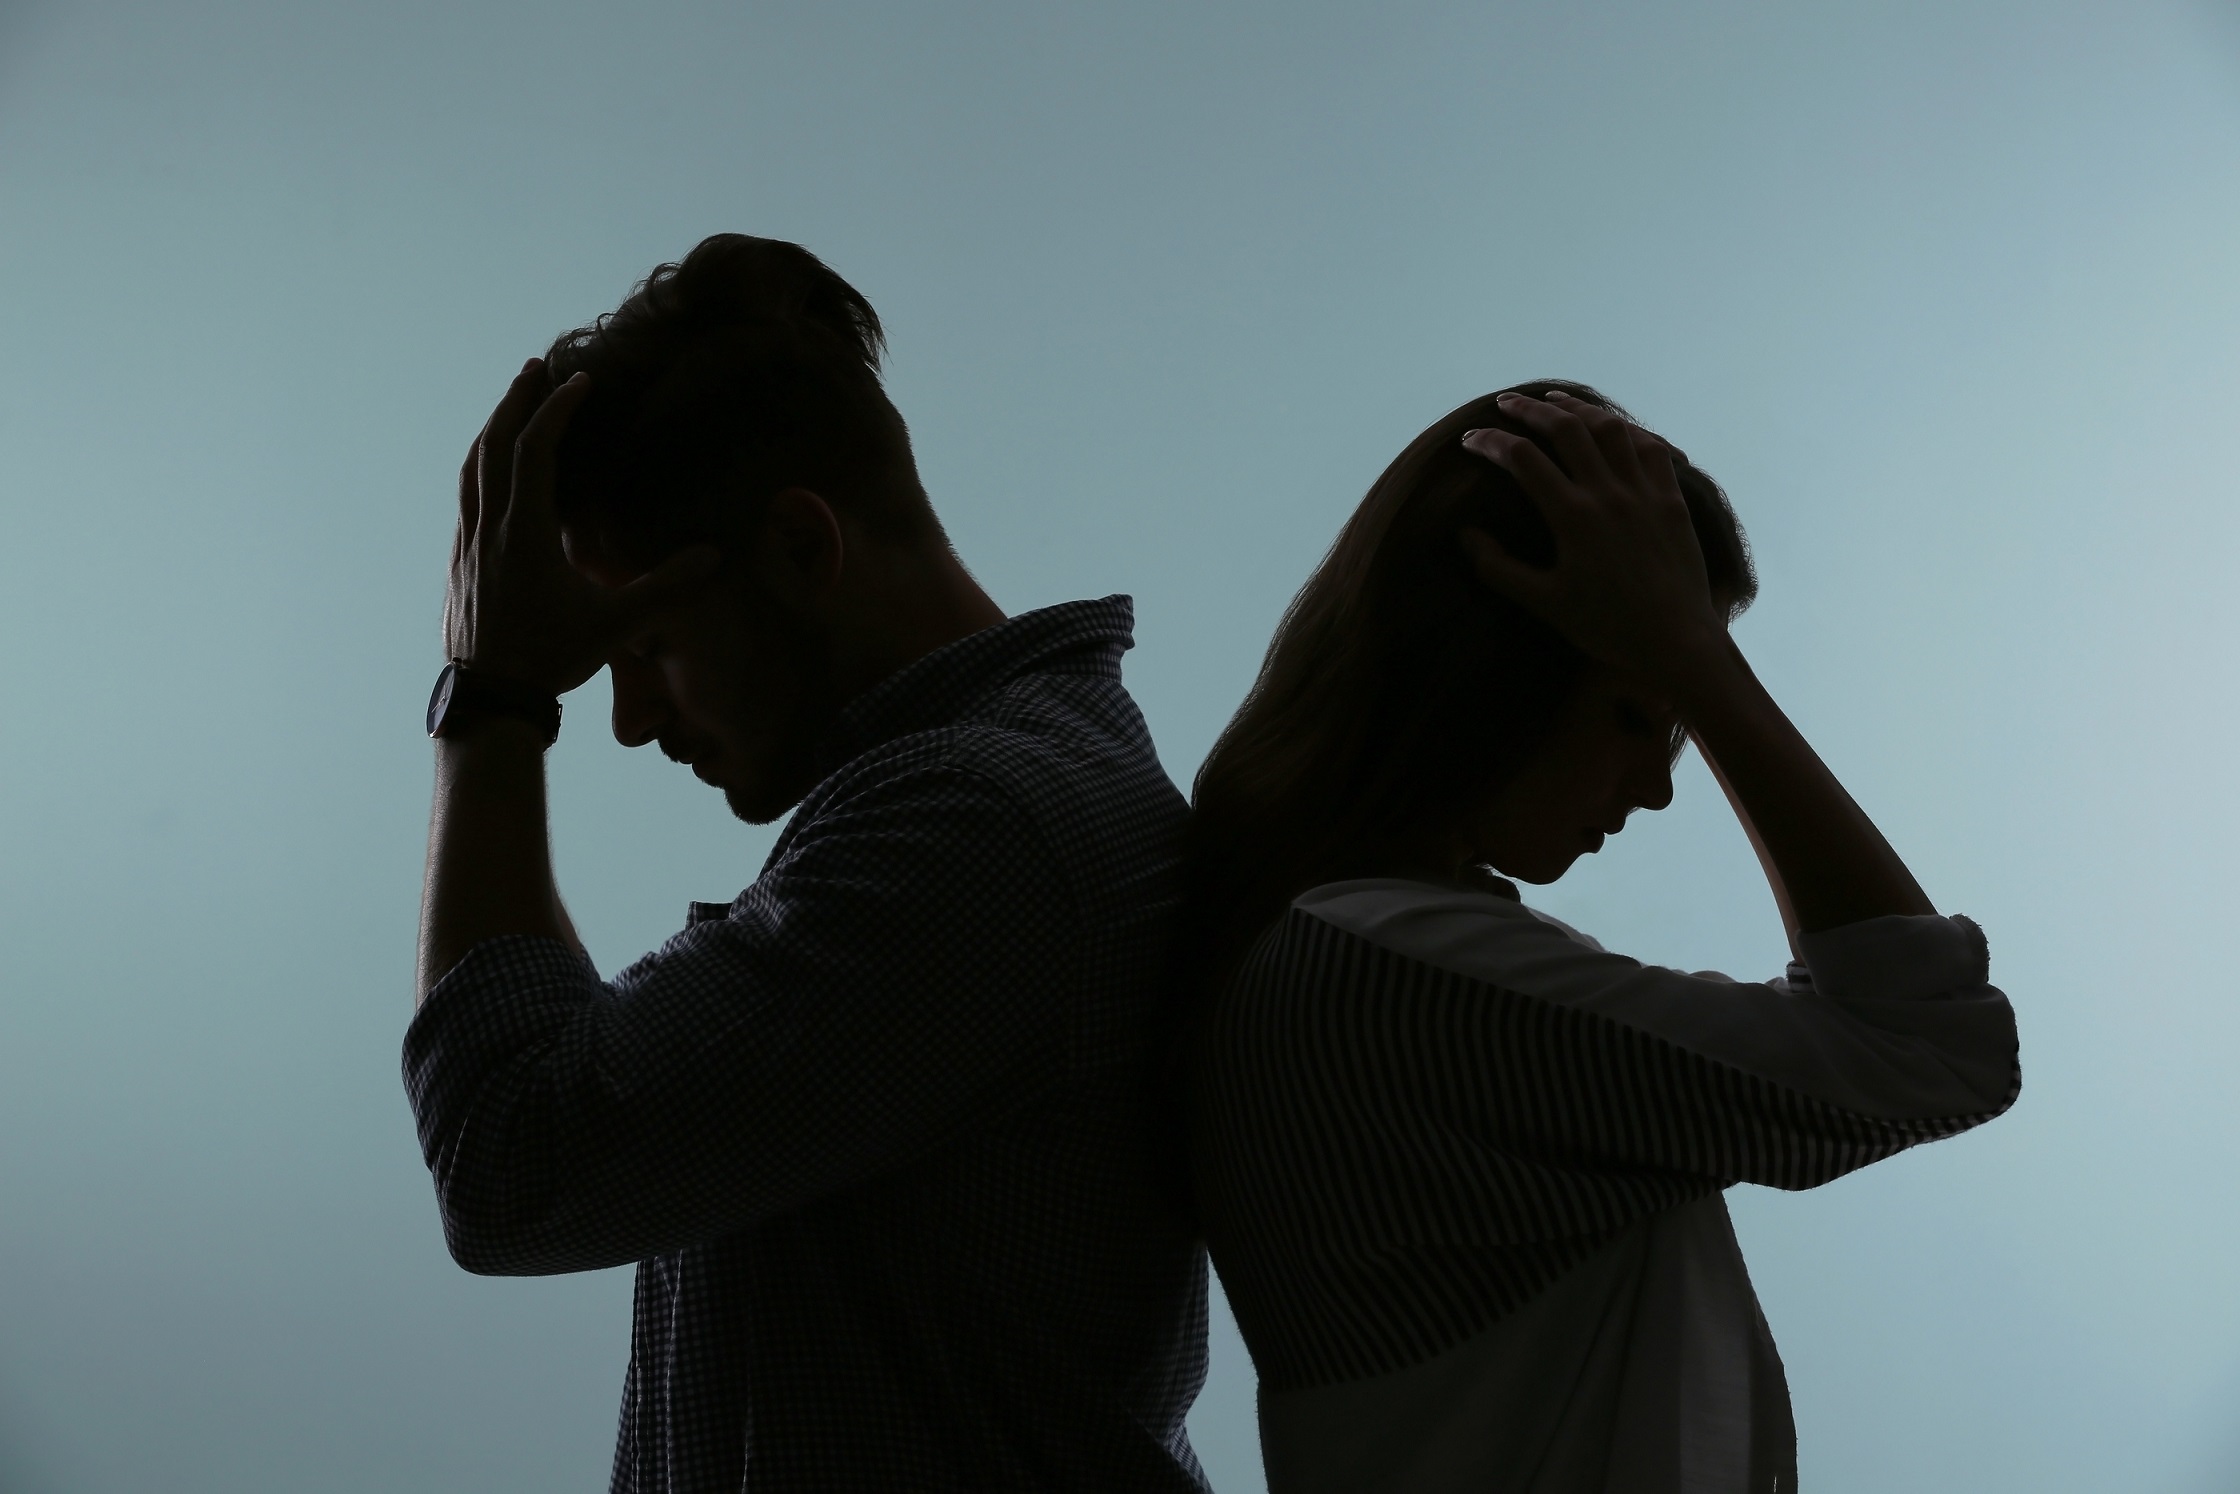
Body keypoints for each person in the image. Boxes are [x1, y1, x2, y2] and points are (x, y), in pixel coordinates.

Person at [402, 234, 1209, 1493]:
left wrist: (494, 705)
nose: (623, 717)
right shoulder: (1004, 796)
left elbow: (514, 1156)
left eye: (647, 641)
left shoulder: (975, 829)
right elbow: (566, 1101)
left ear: (797, 550)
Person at [1184, 382, 2020, 1492]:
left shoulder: (1327, 954)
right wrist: (1697, 662)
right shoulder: (1382, 968)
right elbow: (1929, 1045)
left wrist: (1673, 656)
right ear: (1484, 671)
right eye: (1637, 713)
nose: (1653, 790)